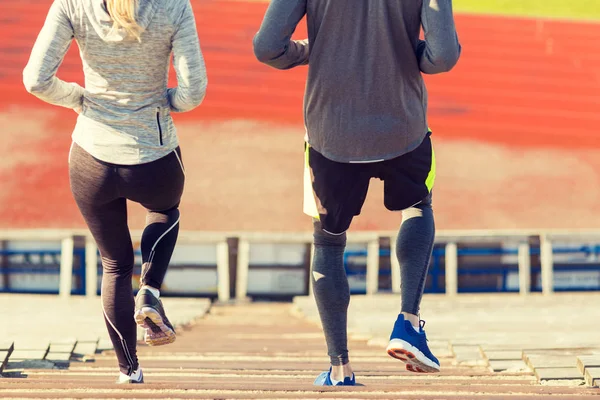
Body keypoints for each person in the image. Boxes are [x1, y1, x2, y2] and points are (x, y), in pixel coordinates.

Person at [254, 0, 461, 386]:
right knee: (417, 207)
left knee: (328, 243)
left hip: (330, 137)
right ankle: (408, 324)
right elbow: (443, 56)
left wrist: (314, 48)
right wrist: (405, 49)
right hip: (403, 129)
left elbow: (267, 46)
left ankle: (339, 369)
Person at [23, 0, 207, 384]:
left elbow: (36, 79)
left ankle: (130, 371)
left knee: (115, 265)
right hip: (153, 156)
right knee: (165, 212)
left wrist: (80, 99)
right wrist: (162, 104)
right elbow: (193, 94)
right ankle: (151, 289)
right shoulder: (174, 7)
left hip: (91, 158)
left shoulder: (71, 5)